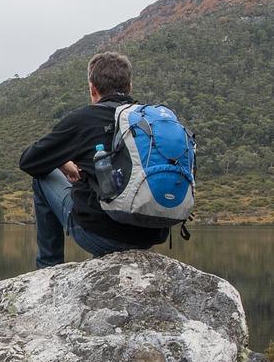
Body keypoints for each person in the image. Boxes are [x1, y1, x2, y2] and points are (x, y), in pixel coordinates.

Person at [18, 51, 168, 267]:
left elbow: (29, 162)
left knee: (42, 177)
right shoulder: (148, 121)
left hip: (101, 236)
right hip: (150, 234)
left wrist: (61, 161)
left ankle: (48, 269)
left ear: (92, 88)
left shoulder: (84, 119)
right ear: (130, 86)